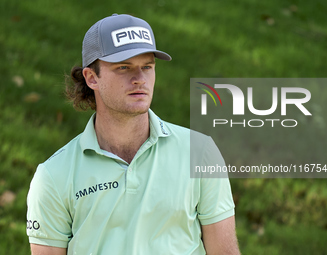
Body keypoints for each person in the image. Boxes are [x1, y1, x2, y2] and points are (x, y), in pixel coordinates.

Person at [26, 13, 241, 255]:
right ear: (91, 78)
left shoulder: (200, 152)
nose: (139, 79)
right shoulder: (54, 175)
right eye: (123, 67)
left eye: (147, 67)